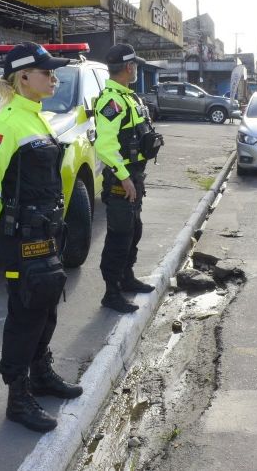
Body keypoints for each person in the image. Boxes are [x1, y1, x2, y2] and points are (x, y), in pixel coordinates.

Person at [0, 42, 82, 433]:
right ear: (23, 78)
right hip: (23, 236)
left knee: (46, 304)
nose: (53, 77)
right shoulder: (7, 123)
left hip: (47, 230)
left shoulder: (38, 118)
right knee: (25, 312)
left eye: (54, 72)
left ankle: (41, 375)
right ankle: (18, 398)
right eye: (47, 72)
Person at [94, 43, 164, 313]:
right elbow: (104, 145)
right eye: (134, 64)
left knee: (133, 231)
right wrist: (123, 177)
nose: (135, 68)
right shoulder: (111, 101)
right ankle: (111, 293)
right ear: (128, 67)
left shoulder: (129, 97)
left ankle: (127, 278)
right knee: (119, 236)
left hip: (135, 177)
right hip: (121, 181)